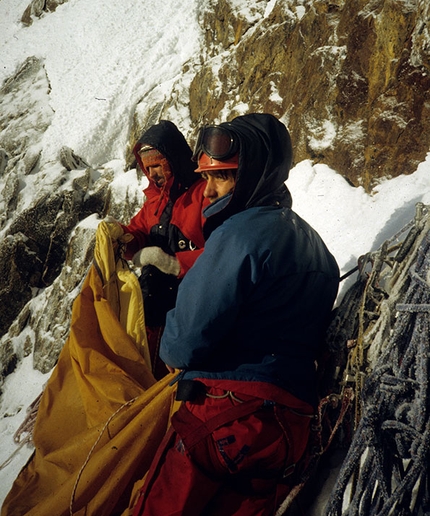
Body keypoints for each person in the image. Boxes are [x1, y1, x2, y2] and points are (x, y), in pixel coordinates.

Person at [132, 113, 340, 515]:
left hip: (221, 417)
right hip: (289, 430)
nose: (207, 191)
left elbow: (180, 345)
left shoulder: (237, 236)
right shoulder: (318, 249)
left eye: (221, 177)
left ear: (253, 174)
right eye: (206, 177)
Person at [118, 120, 208, 379]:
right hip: (155, 307)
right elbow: (137, 231)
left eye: (158, 165)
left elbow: (222, 253)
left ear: (174, 158)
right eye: (148, 168)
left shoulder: (203, 193)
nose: (153, 173)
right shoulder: (154, 202)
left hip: (188, 311)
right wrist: (122, 238)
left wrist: (171, 263)